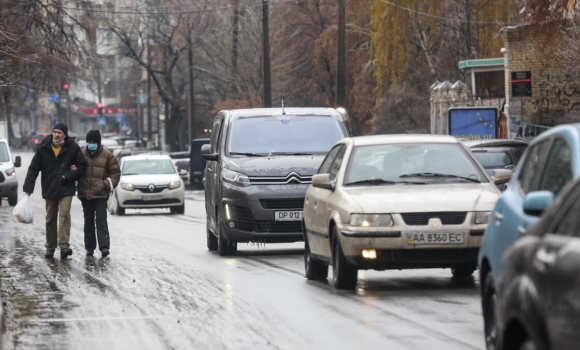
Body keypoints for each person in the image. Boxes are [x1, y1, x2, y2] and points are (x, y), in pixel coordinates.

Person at [23, 123, 87, 259]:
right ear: (52, 133)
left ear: (65, 135)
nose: (57, 135)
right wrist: (28, 187)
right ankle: (50, 246)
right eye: (55, 132)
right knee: (50, 217)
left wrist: (67, 175)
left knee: (64, 215)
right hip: (49, 187)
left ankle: (64, 246)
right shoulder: (44, 148)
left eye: (60, 133)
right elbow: (34, 168)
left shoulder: (72, 148)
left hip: (66, 187)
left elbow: (81, 166)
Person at [76, 130, 120, 258]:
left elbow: (115, 174)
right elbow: (76, 170)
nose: (91, 144)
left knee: (101, 220)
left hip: (101, 195)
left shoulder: (108, 156)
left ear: (99, 142)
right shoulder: (81, 154)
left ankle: (104, 248)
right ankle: (89, 248)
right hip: (85, 195)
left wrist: (104, 184)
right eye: (89, 142)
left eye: (94, 142)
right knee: (88, 221)